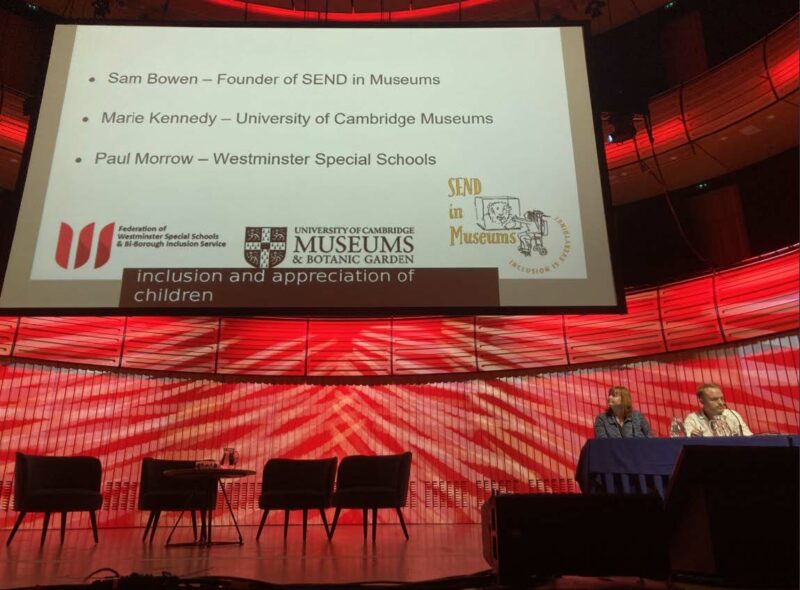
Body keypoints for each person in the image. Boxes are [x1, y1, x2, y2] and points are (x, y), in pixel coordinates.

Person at [684, 383, 753, 437]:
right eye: (714, 399)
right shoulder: (693, 419)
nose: (721, 403)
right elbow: (686, 441)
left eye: (722, 398)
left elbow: (748, 437)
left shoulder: (732, 415)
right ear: (702, 401)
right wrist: (692, 437)